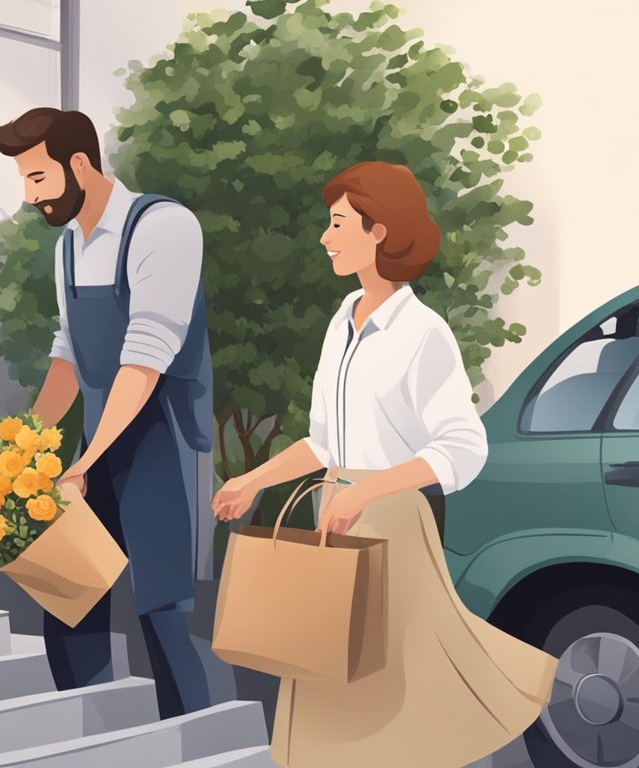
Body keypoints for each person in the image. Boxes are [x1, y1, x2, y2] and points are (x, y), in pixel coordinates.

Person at [212, 161, 558, 767]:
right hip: (333, 516)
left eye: (338, 223)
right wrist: (252, 480)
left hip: (389, 525)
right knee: (322, 664)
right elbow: (324, 442)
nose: (325, 237)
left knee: (391, 688)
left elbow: (462, 446)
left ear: (379, 231)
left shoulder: (424, 333)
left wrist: (363, 493)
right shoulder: (341, 322)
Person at [0, 107, 212, 719]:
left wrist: (84, 460)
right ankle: (88, 734)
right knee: (68, 596)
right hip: (96, 446)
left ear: (80, 165)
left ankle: (194, 745)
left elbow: (144, 362)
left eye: (38, 178)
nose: (30, 194)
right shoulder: (70, 245)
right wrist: (29, 447)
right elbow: (69, 356)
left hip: (159, 446)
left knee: (161, 612)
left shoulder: (164, 227)